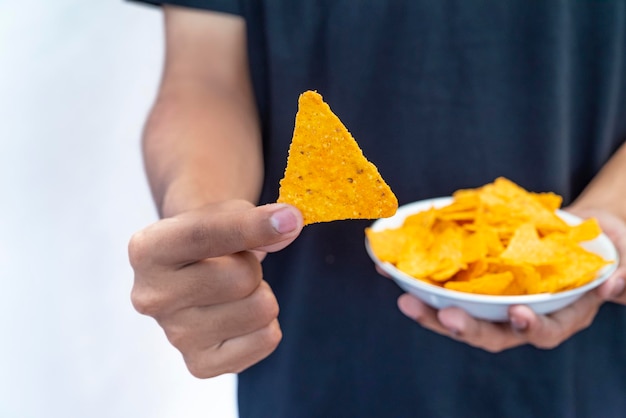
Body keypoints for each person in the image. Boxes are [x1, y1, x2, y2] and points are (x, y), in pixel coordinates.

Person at [127, 1, 626, 417]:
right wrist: (209, 227)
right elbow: (203, 75)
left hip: (587, 364)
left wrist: (611, 218)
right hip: (312, 358)